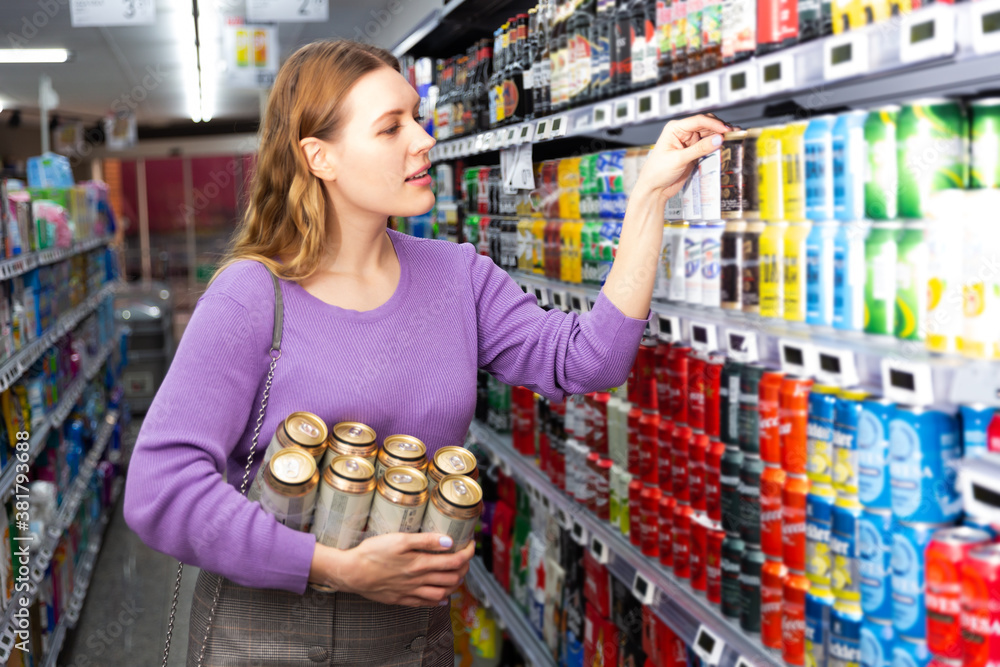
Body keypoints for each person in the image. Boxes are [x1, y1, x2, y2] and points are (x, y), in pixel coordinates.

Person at [123, 39, 730, 667]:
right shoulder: (253, 293)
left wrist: (651, 197)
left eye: (416, 116)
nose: (424, 139)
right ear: (319, 157)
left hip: (415, 639)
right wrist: (335, 567)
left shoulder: (455, 277)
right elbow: (160, 489)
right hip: (272, 636)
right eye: (391, 128)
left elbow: (587, 360)